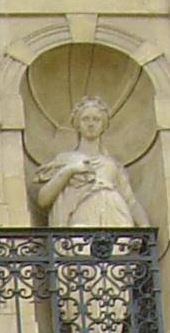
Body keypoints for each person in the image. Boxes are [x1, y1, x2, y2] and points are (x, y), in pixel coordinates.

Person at [32, 94, 148, 232]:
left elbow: (132, 203)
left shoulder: (112, 165)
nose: (91, 124)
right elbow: (43, 199)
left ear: (103, 126)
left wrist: (146, 231)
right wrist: (70, 171)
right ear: (78, 125)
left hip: (117, 217)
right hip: (81, 218)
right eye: (85, 119)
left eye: (96, 119)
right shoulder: (65, 160)